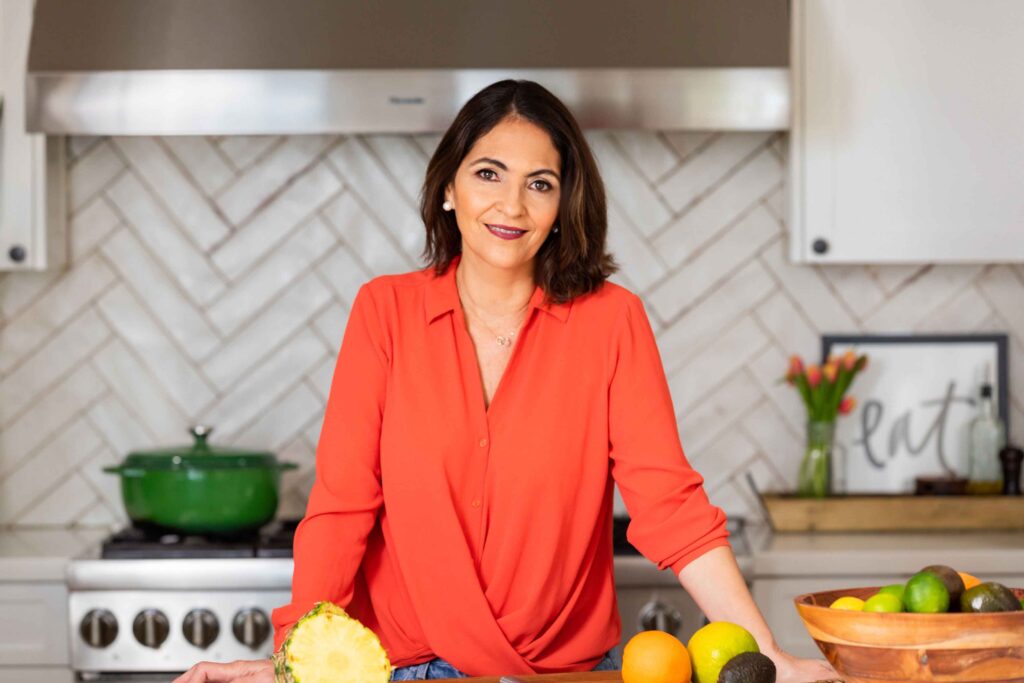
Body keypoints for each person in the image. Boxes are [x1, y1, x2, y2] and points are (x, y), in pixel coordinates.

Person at [174, 80, 836, 682]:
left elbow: (671, 504)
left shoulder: (612, 321)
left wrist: (768, 652)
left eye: (540, 183)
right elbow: (342, 505)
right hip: (414, 669)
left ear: (563, 202)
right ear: (448, 187)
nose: (511, 204)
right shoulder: (385, 312)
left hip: (571, 672)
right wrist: (294, 659)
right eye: (488, 173)